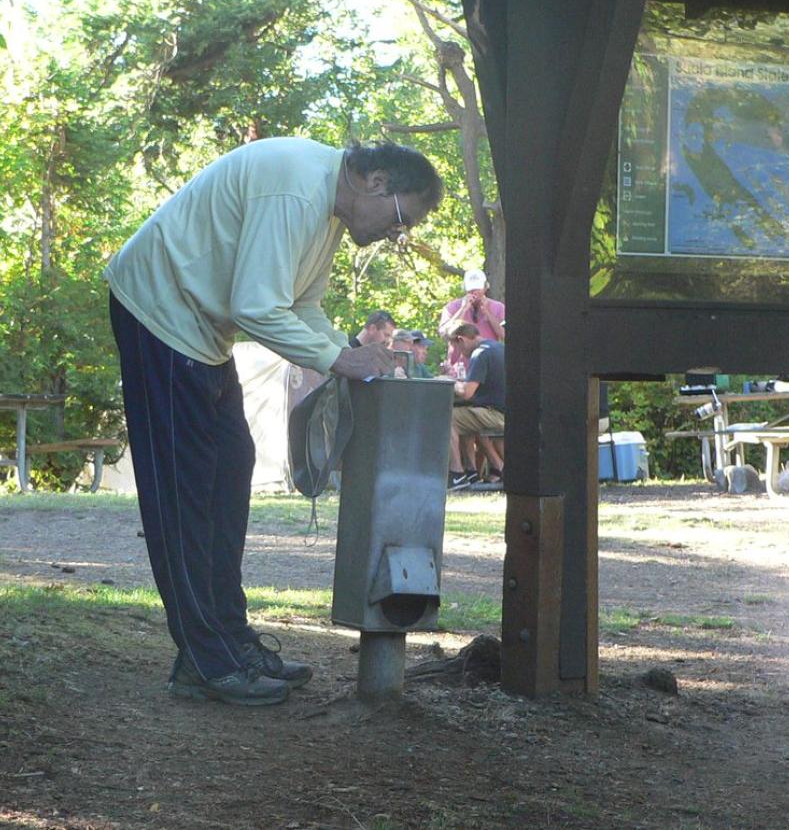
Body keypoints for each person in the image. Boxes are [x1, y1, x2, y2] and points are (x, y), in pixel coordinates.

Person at [105, 138, 443, 706]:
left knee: (230, 471)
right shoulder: (295, 189)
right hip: (158, 313)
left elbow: (299, 306)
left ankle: (232, 641)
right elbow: (256, 307)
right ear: (378, 181)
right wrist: (339, 360)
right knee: (186, 494)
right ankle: (204, 662)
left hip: (200, 334)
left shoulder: (328, 213)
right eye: (402, 218)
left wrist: (351, 353)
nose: (397, 234)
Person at [446, 323, 506, 491]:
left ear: (461, 340)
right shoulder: (499, 348)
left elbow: (467, 393)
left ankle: (457, 475)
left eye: (455, 346)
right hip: (507, 411)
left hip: (496, 414)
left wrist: (451, 382)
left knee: (445, 417)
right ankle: (472, 472)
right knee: (465, 417)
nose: (459, 353)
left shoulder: (480, 354)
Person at [438, 268, 505, 377]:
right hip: (459, 370)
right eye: (471, 289)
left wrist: (487, 312)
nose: (475, 293)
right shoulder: (452, 307)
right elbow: (444, 334)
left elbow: (504, 335)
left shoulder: (499, 308)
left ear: (485, 287)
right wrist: (463, 309)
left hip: (489, 370)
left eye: (478, 288)